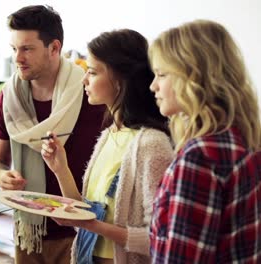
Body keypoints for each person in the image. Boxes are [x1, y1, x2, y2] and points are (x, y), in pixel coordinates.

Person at [40, 29, 173, 264]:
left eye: (91, 72)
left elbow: (158, 238)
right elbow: (86, 213)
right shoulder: (109, 135)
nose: (84, 79)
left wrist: (91, 225)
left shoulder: (152, 145)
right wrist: (60, 169)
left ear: (120, 80)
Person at [0, 5, 105, 264]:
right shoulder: (8, 99)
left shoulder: (92, 95)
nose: (17, 58)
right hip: (29, 232)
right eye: (14, 49)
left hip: (84, 230)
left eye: (27, 49)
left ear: (54, 48)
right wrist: (1, 176)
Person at [148, 20, 261, 263]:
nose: (153, 86)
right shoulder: (245, 139)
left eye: (162, 74)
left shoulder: (200, 156)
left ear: (194, 77)